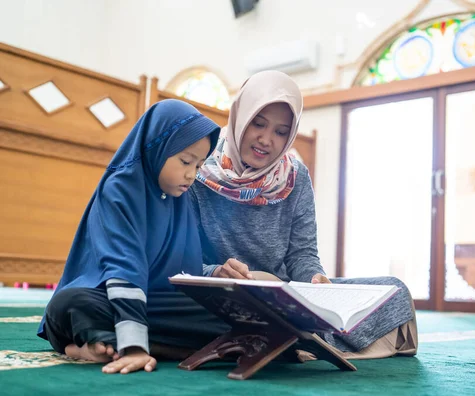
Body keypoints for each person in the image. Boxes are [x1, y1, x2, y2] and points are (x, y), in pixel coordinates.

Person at [190, 71, 418, 359]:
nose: (266, 140)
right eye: (257, 124)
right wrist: (216, 272)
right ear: (240, 117)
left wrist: (314, 279)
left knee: (392, 291)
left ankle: (288, 338)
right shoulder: (198, 169)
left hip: (284, 295)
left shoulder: (294, 177)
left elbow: (302, 253)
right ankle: (298, 339)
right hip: (225, 294)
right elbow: (184, 260)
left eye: (280, 131)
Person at [37, 99, 230, 374]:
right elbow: (123, 267)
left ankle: (107, 341)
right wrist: (135, 347)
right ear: (157, 147)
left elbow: (186, 275)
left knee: (229, 314)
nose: (191, 175)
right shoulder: (120, 189)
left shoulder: (180, 197)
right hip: (109, 296)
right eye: (186, 161)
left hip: (155, 304)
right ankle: (131, 342)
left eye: (198, 166)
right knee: (68, 304)